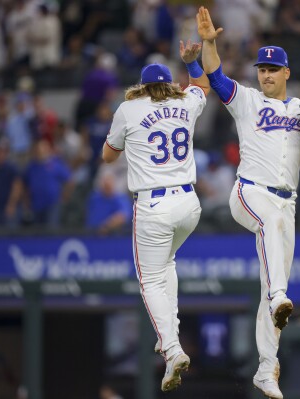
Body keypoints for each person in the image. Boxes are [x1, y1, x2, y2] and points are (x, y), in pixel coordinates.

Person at [196, 7, 300, 399]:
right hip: (248, 193)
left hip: (286, 206)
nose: (265, 74)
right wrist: (209, 44)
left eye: (272, 68)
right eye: (261, 68)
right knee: (272, 252)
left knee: (272, 284)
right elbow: (215, 77)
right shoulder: (246, 100)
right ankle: (280, 297)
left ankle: (266, 369)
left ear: (286, 73)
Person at [101, 39, 210, 392]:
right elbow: (203, 85)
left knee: (149, 280)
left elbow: (108, 156)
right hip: (189, 204)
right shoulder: (186, 101)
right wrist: (193, 63)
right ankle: (171, 336)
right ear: (169, 85)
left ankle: (171, 347)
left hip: (155, 205)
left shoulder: (128, 109)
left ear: (142, 86)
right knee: (168, 265)